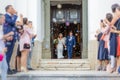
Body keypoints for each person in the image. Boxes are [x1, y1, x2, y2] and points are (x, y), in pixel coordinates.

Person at [3, 5, 18, 74]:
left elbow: (14, 25)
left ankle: (8, 67)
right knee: (8, 54)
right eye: (12, 8)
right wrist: (15, 15)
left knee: (10, 54)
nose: (13, 9)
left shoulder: (11, 17)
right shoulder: (6, 16)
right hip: (8, 38)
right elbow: (11, 23)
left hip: (12, 38)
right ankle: (6, 69)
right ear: (8, 9)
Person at [0, 14, 14, 80]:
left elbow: (2, 38)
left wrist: (7, 38)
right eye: (3, 19)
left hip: (3, 50)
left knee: (4, 67)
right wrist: (9, 34)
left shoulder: (1, 27)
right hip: (1, 51)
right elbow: (1, 37)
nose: (4, 20)